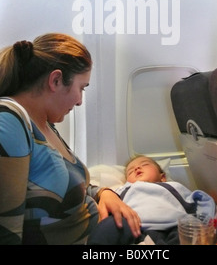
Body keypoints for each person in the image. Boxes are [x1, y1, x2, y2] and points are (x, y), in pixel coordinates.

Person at [0, 33, 141, 245]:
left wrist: (105, 193)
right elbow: (6, 234)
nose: (80, 102)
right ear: (56, 80)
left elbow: (73, 183)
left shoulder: (46, 124)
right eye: (82, 87)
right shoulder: (10, 121)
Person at [87, 155, 216, 245]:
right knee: (106, 229)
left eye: (144, 164)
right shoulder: (123, 189)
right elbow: (111, 204)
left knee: (184, 238)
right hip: (133, 223)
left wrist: (204, 222)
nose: (137, 168)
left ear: (163, 177)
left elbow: (201, 200)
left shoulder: (173, 186)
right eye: (131, 171)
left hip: (172, 224)